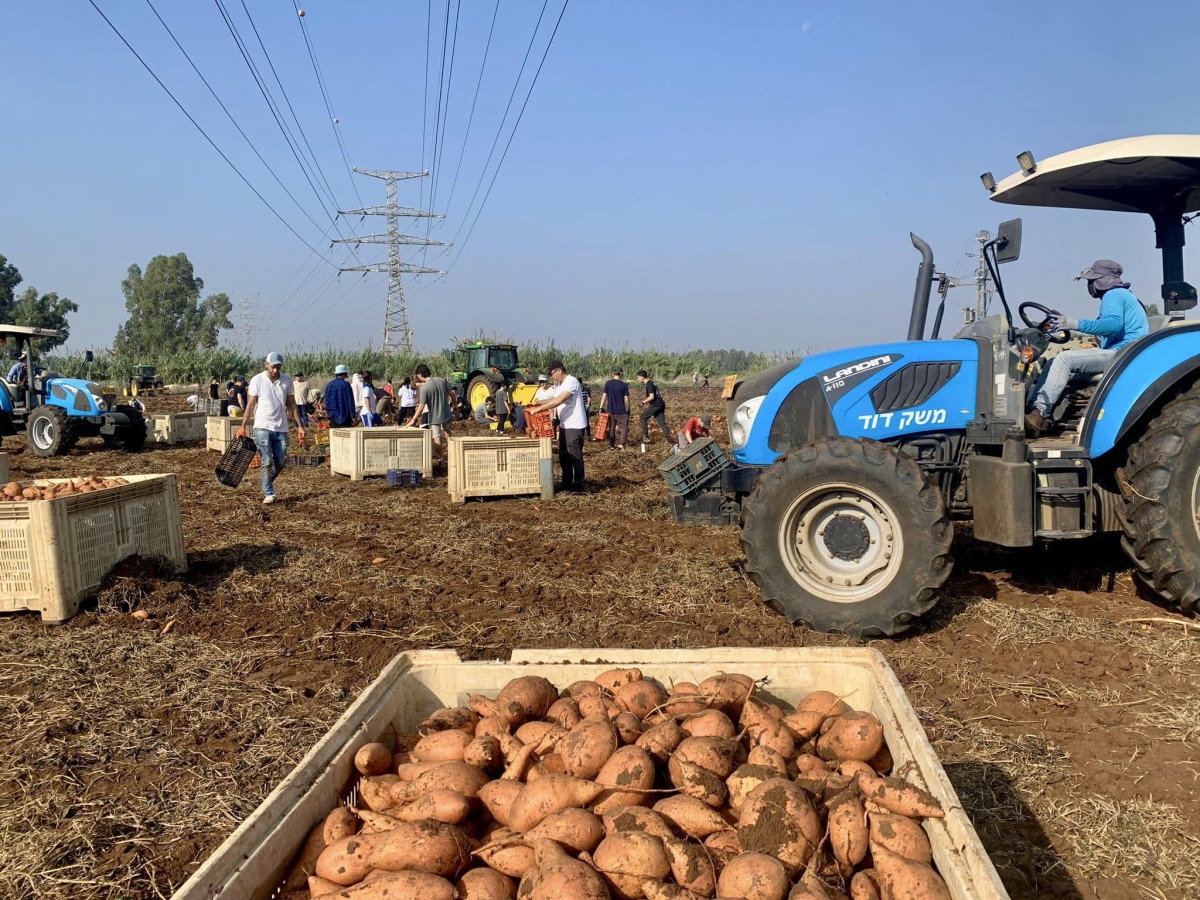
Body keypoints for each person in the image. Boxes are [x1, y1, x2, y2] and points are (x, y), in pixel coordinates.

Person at [1024, 260, 1150, 436]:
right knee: (1053, 361)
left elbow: (1113, 325)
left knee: (1063, 359)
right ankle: (1034, 410)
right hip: (1124, 353)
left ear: (1100, 280)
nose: (1090, 286)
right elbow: (1103, 328)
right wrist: (1067, 328)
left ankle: (1039, 414)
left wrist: (1073, 323)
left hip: (1120, 354)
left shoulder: (1113, 295)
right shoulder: (1125, 295)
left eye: (1091, 281)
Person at [237, 352, 303, 505]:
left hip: (281, 427)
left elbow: (292, 404)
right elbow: (251, 404)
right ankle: (268, 492)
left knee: (280, 462)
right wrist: (243, 426)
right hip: (262, 426)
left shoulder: (286, 380)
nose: (275, 370)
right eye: (273, 367)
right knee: (267, 461)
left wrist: (300, 426)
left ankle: (266, 482)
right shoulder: (257, 380)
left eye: (278, 367)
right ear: (266, 364)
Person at [527, 359, 588, 493]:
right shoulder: (560, 384)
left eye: (551, 373)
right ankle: (566, 484)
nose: (550, 377)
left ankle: (578, 486)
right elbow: (554, 398)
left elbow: (559, 400)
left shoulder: (571, 382)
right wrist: (540, 402)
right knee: (563, 456)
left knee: (575, 456)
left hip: (574, 425)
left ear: (559, 371)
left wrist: (538, 409)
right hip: (565, 425)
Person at [409, 363, 455, 458]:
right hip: (446, 413)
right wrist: (455, 406)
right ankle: (453, 450)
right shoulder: (441, 381)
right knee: (447, 430)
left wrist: (414, 419)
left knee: (436, 436)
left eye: (418, 375)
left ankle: (440, 458)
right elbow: (452, 394)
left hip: (435, 416)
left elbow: (421, 406)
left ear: (420, 375)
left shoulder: (425, 388)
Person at [636, 370, 673, 446]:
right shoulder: (652, 382)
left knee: (643, 417)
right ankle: (669, 441)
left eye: (638, 377)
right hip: (661, 404)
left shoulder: (648, 384)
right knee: (662, 423)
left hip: (656, 405)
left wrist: (642, 403)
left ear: (642, 377)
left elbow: (651, 397)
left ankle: (646, 436)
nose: (638, 379)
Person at [600, 368, 631, 450]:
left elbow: (604, 397)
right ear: (621, 374)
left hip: (610, 410)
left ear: (613, 373)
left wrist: (600, 407)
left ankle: (611, 445)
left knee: (612, 428)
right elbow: (626, 399)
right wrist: (628, 409)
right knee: (624, 426)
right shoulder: (623, 385)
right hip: (621, 411)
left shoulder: (608, 384)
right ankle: (622, 444)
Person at [324, 364, 357, 428]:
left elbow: (327, 402)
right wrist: (353, 416)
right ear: (344, 373)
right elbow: (350, 401)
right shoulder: (346, 384)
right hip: (344, 415)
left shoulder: (329, 385)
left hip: (332, 416)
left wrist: (328, 413)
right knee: (345, 435)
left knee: (335, 435)